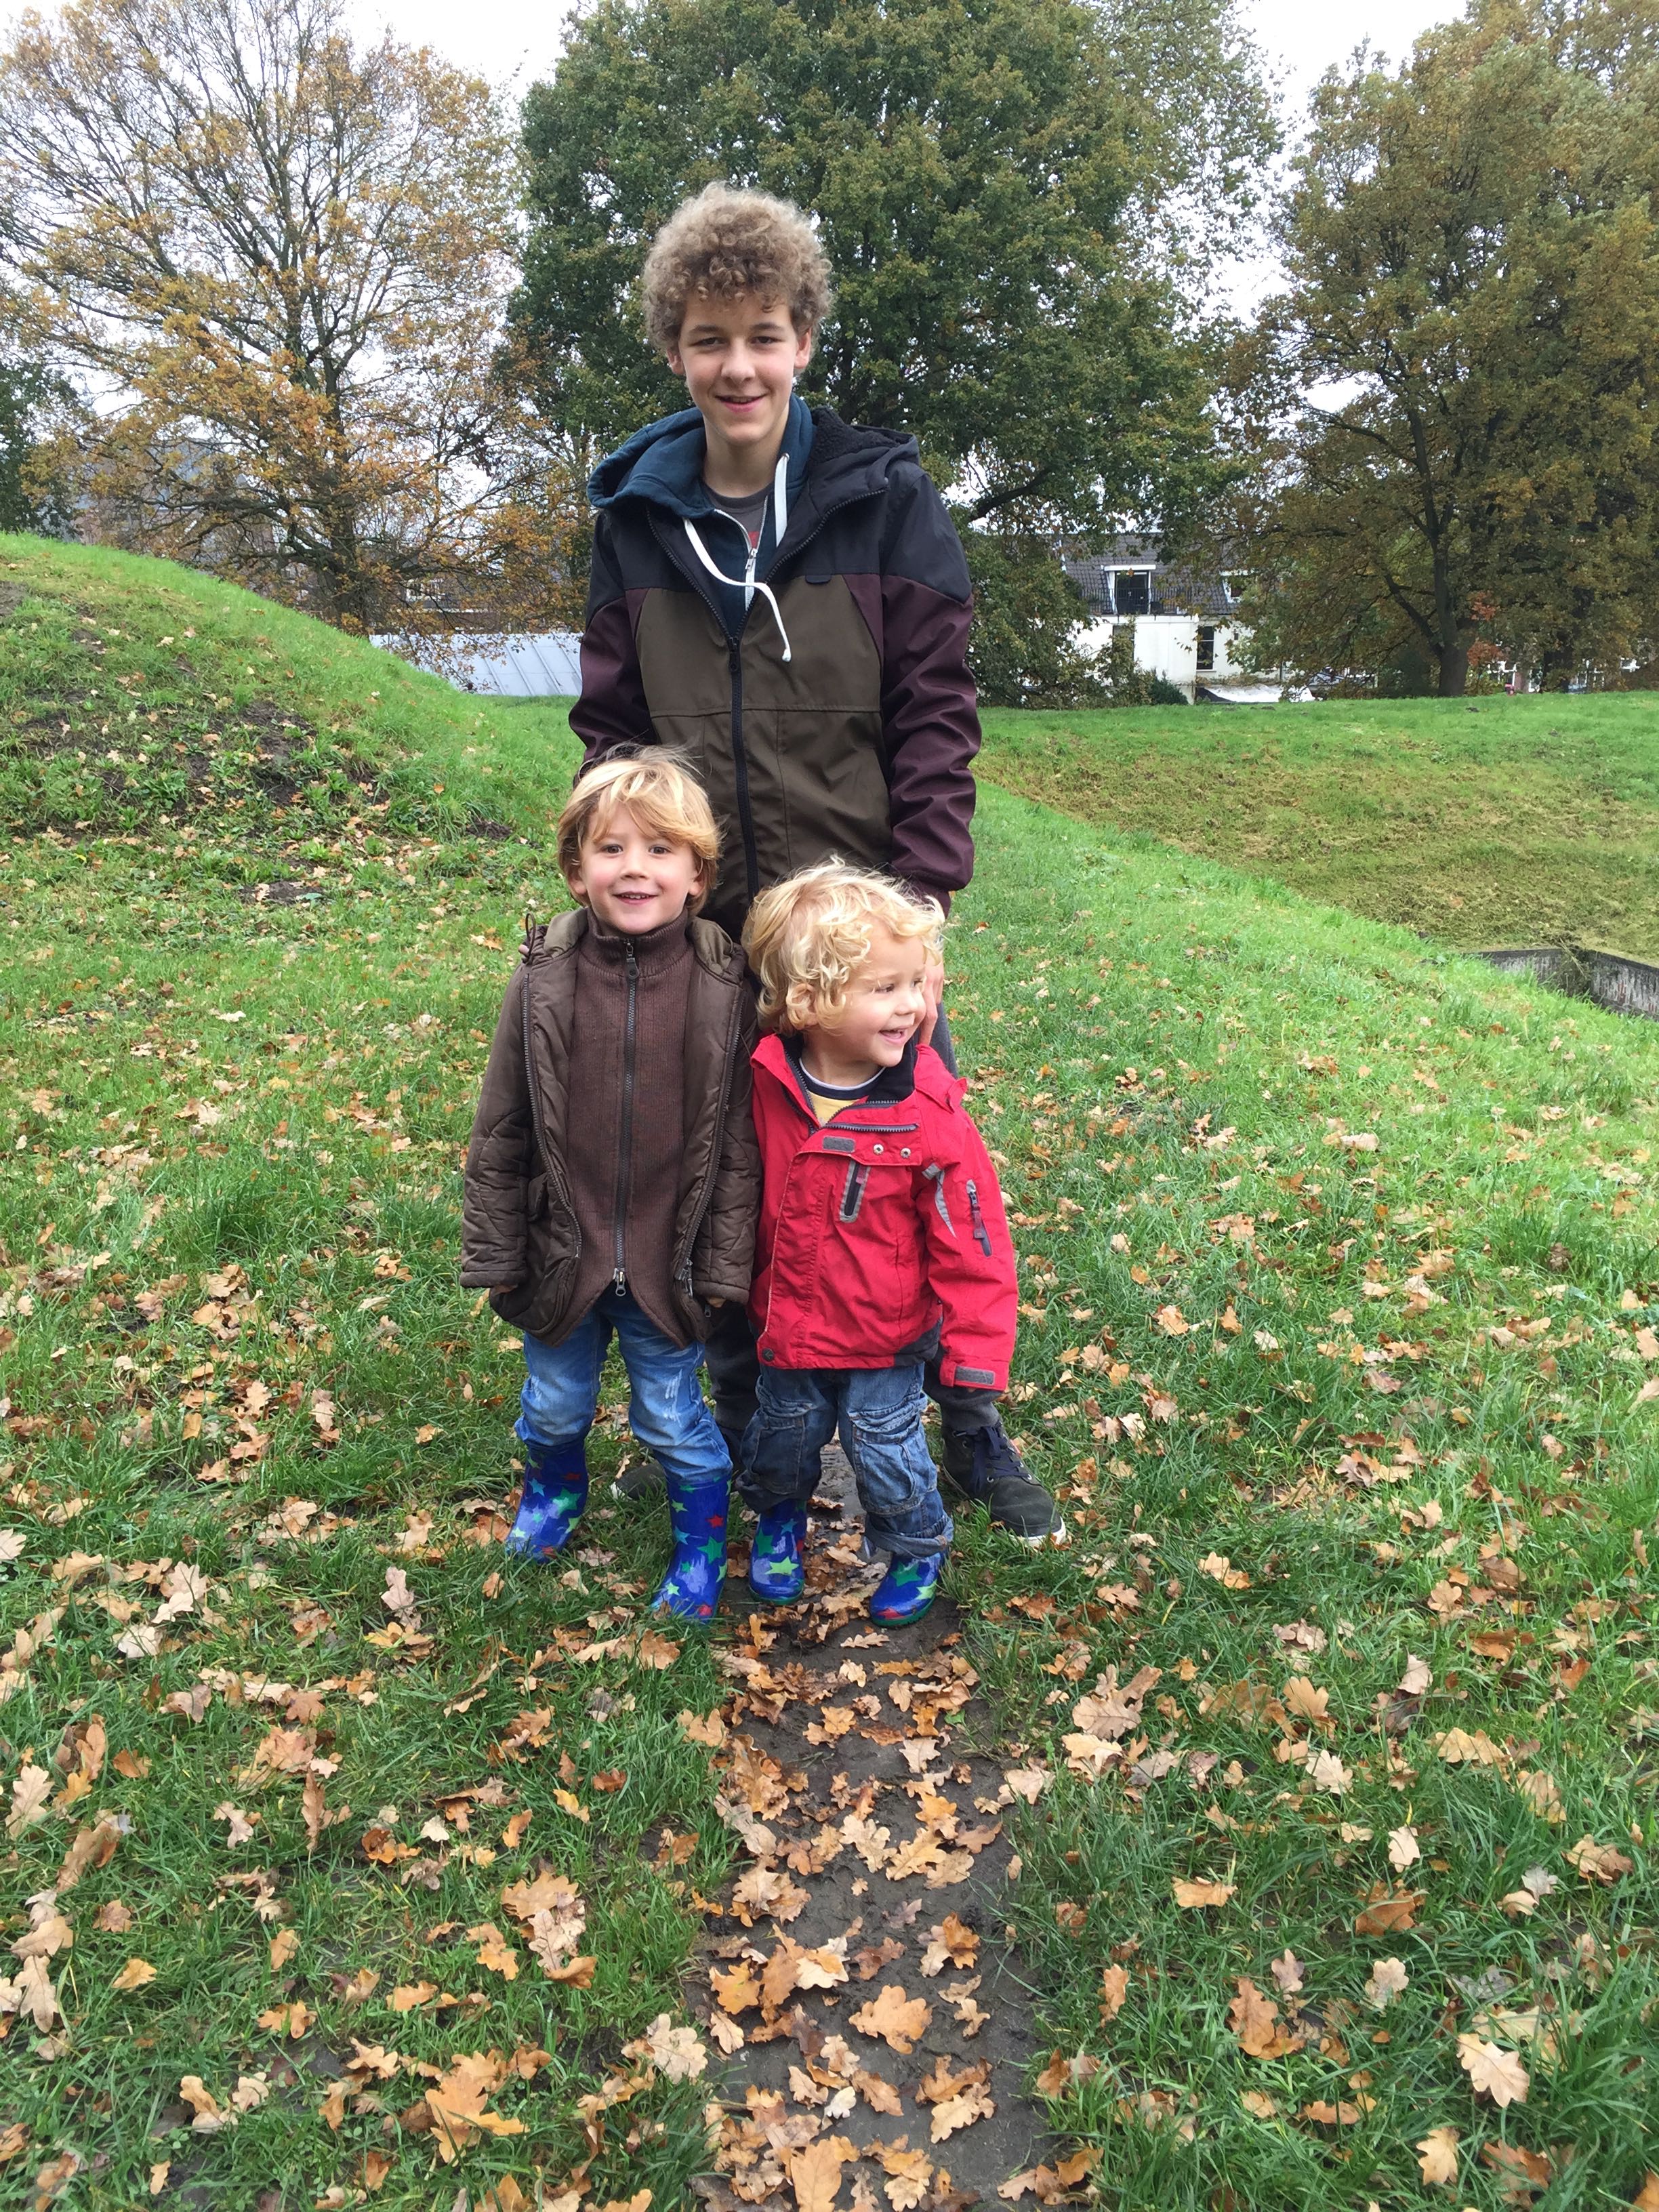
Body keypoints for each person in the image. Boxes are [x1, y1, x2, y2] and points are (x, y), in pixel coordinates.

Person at [572, 179, 1062, 1546]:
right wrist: (626, 865)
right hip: (710, 924)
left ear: (802, 340)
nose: (738, 366)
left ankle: (967, 1422)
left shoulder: (883, 501)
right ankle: (744, 1420)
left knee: (923, 1174)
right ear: (674, 348)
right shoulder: (633, 517)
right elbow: (612, 721)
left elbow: (936, 707)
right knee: (733, 1176)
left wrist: (924, 886)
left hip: (860, 921)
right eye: (709, 338)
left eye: (764, 335)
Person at [460, 752, 759, 1620]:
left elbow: (739, 1148)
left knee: (670, 1416)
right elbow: (502, 1124)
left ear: (698, 876)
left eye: (661, 850)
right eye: (612, 849)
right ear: (576, 869)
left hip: (672, 1260)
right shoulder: (541, 979)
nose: (636, 869)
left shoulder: (725, 987)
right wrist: (498, 1252)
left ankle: (701, 1544)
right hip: (562, 1251)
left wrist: (725, 1267)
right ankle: (555, 1492)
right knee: (555, 1404)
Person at [737, 863, 1019, 1623]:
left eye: (915, 983)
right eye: (885, 988)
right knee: (781, 1441)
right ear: (809, 1001)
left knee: (887, 1453)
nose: (913, 1007)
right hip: (788, 1326)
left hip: (884, 1339)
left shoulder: (927, 1111)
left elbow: (974, 1243)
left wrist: (974, 1356)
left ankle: (917, 1542)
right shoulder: (765, 1082)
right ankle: (778, 1522)